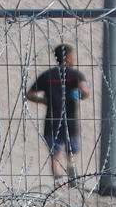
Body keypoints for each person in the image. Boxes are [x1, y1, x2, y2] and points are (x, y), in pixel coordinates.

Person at [25, 44, 89, 185]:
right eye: (72, 55)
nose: (74, 58)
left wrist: (43, 100)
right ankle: (73, 179)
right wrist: (77, 94)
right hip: (70, 119)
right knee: (71, 153)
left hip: (52, 120)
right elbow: (85, 92)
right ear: (66, 57)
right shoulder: (75, 75)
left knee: (56, 154)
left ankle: (59, 182)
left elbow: (29, 94)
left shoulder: (48, 75)